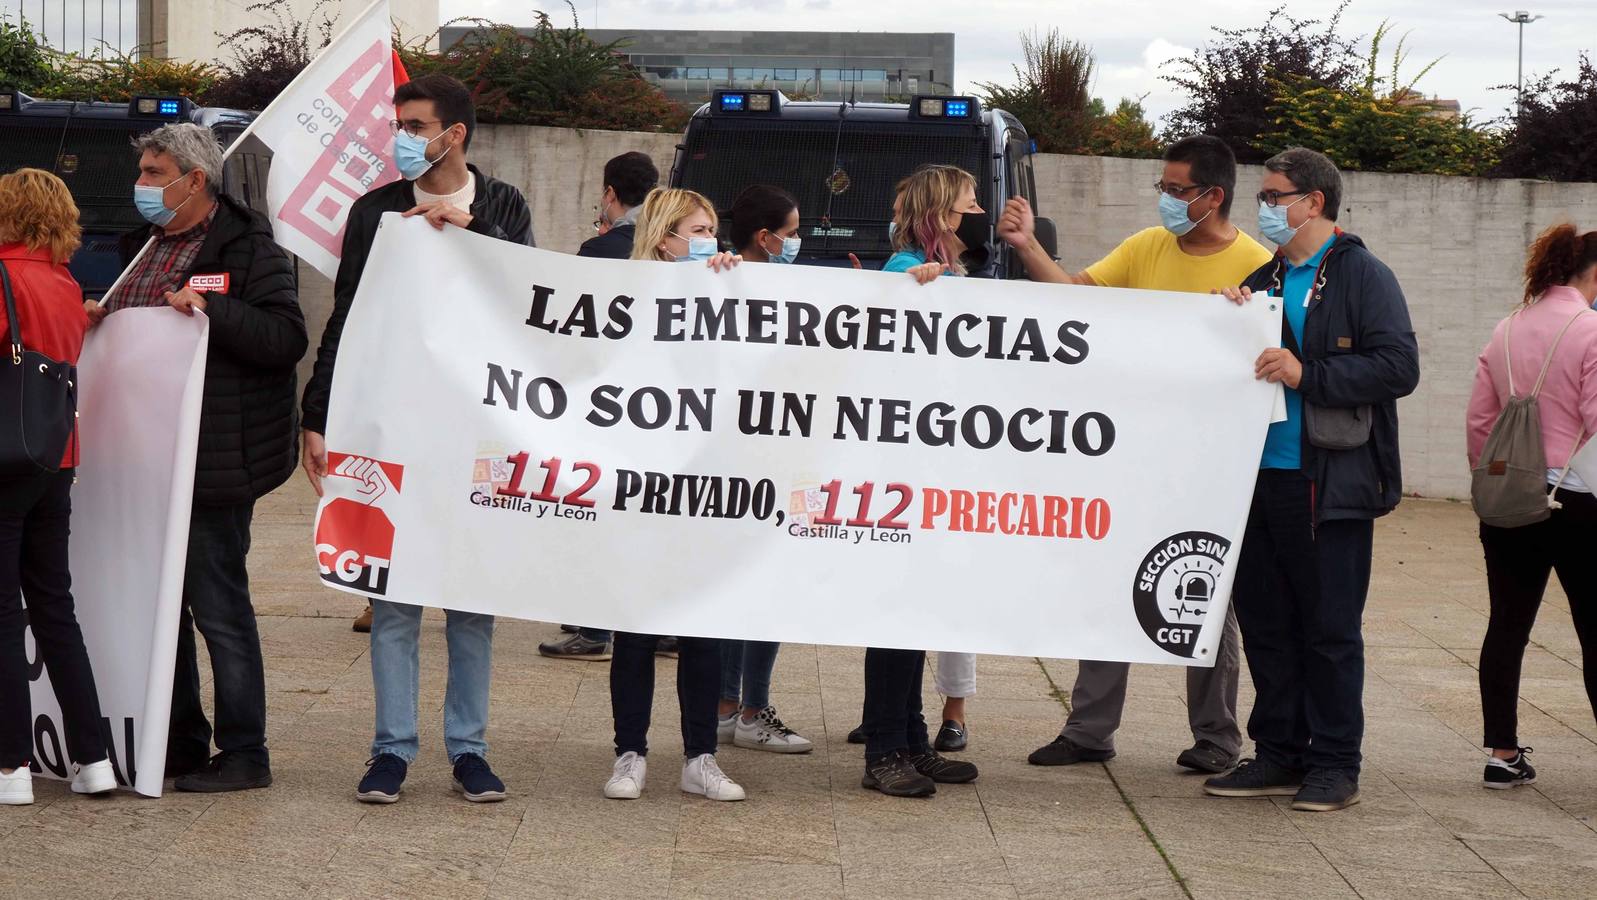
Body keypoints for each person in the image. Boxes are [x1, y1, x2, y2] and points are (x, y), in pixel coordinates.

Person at [998, 135, 1266, 775]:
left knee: (1204, 594)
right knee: (1109, 583)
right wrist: (1028, 246)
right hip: (1130, 454)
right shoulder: (1146, 247)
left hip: (1207, 464)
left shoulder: (1260, 265)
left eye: (1178, 191)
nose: (1167, 202)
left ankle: (1216, 737)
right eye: (1163, 189)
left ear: (1213, 196)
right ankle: (1090, 729)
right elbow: (1076, 302)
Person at [299, 74, 533, 805]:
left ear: (453, 133)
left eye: (414, 123)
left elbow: (529, 304)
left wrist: (480, 241)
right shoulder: (374, 212)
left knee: (469, 603)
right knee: (391, 599)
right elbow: (346, 318)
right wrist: (317, 415)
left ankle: (469, 750)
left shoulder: (501, 206)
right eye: (398, 123)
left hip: (474, 433)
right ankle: (391, 750)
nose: (400, 136)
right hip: (389, 427)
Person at [1203, 147, 1420, 812]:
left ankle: (1333, 763)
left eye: (1273, 197)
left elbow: (1397, 367)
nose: (1263, 209)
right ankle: (1277, 752)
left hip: (1326, 482)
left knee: (1328, 629)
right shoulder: (1262, 276)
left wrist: (1308, 375)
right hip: (1259, 478)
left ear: (1313, 202)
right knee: (1267, 624)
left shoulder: (1361, 275)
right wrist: (1230, 319)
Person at [105, 123, 307, 793]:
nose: (141, 185)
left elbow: (284, 340)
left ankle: (246, 752)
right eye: (140, 171)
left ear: (194, 180)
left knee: (218, 608)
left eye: (153, 171)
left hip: (216, 461)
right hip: (143, 461)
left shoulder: (249, 250)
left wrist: (213, 306)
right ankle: (181, 741)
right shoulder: (140, 249)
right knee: (164, 607)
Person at [603, 187, 745, 801]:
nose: (711, 241)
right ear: (665, 239)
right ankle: (629, 752)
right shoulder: (621, 294)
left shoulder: (727, 289)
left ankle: (699, 757)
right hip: (640, 483)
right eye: (699, 230)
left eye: (714, 229)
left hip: (706, 482)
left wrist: (734, 288)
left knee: (702, 627)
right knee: (635, 626)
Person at [853, 166, 985, 797]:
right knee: (897, 611)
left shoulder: (946, 273)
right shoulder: (902, 273)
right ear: (941, 214)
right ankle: (884, 748)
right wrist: (916, 290)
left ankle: (909, 737)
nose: (975, 214)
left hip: (934, 468)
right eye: (966, 207)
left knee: (920, 609)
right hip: (899, 473)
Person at [0, 169, 116, 805]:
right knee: (53, 608)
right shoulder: (65, 282)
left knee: (1, 612)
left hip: (3, 463)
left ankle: (10, 765)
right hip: (56, 459)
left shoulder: (3, 277)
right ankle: (93, 758)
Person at [1468, 224, 1597, 789]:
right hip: (1576, 499)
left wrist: (1489, 479)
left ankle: (1502, 753)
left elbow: (1480, 420)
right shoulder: (1591, 329)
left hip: (1510, 497)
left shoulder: (1507, 328)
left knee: (1507, 626)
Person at [711, 184, 815, 754]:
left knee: (761, 587)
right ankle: (742, 709)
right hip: (741, 460)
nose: (797, 242)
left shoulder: (792, 283)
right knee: (753, 587)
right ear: (764, 237)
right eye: (792, 232)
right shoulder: (722, 277)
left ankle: (739, 707)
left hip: (774, 454)